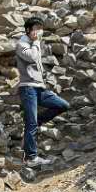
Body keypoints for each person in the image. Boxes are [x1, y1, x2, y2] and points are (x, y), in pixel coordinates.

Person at [15, 17, 70, 166]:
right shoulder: (22, 44)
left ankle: (36, 121)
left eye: (40, 28)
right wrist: (36, 42)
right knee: (30, 123)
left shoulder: (33, 43)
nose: (39, 32)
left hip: (39, 88)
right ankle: (31, 158)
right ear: (28, 30)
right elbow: (32, 57)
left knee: (63, 105)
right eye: (36, 28)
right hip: (28, 88)